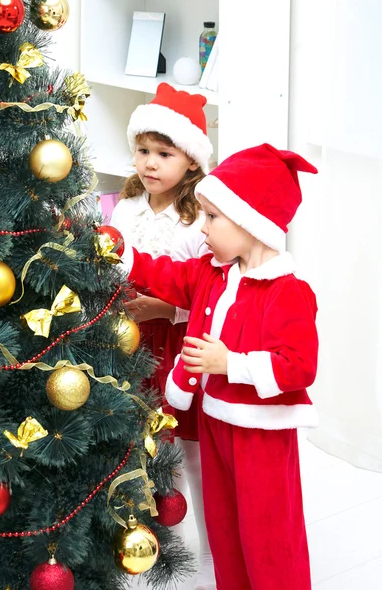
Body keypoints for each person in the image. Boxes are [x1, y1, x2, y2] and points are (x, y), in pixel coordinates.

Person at [119, 143, 319, 590]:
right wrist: (123, 254)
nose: (202, 227)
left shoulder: (288, 292)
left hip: (261, 435)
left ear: (249, 222)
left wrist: (231, 363)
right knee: (225, 525)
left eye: (213, 217)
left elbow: (300, 366)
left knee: (268, 532)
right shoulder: (211, 272)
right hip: (214, 423)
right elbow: (166, 273)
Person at [109, 82, 216, 589]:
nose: (149, 163)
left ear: (190, 163)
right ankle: (139, 533)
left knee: (182, 444)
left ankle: (211, 543)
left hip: (171, 344)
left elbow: (204, 292)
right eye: (143, 151)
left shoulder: (198, 222)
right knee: (132, 438)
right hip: (123, 338)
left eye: (163, 154)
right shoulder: (126, 209)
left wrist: (165, 308)